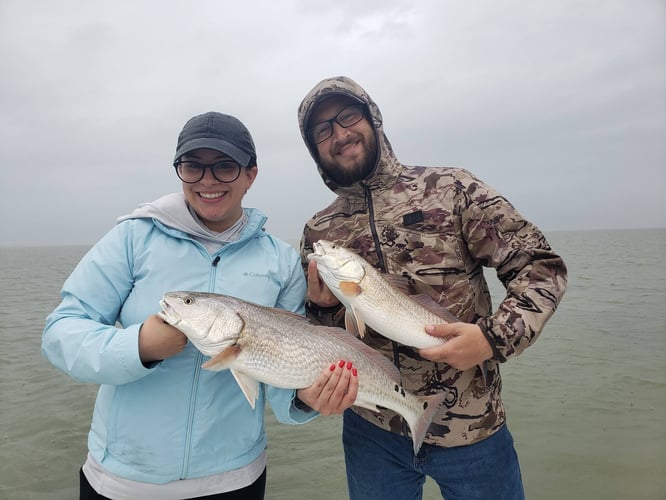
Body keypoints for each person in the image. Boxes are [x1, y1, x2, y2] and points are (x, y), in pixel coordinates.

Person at [42, 111, 357, 500]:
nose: (208, 181)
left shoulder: (279, 260)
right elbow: (61, 332)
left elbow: (280, 367)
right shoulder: (132, 238)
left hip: (236, 478)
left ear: (250, 175)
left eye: (224, 167)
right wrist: (139, 345)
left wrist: (303, 398)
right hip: (123, 481)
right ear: (180, 171)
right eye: (193, 167)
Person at [297, 76, 568, 500]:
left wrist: (490, 338)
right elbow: (325, 336)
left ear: (373, 118)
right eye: (322, 130)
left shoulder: (452, 189)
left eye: (347, 116)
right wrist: (319, 309)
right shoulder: (319, 233)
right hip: (372, 429)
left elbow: (540, 267)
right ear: (314, 148)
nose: (339, 134)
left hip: (473, 427)